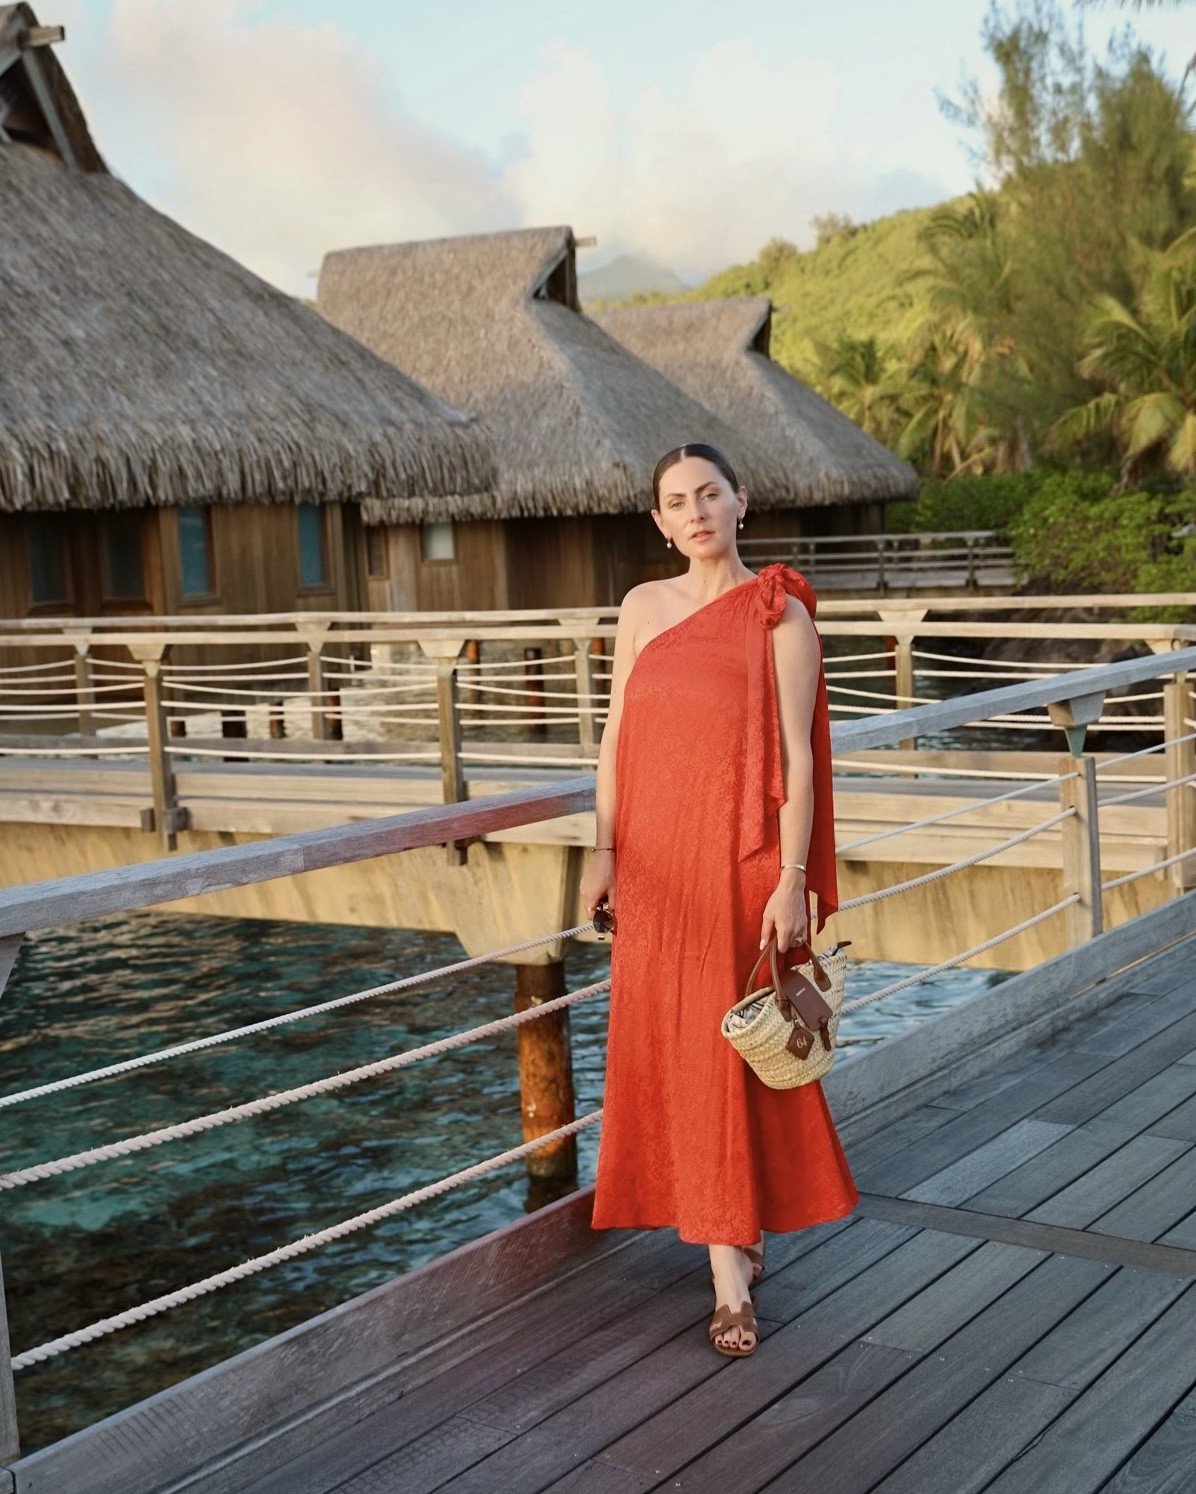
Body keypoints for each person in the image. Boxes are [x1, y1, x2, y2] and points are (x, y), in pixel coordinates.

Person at [580, 442, 857, 1358]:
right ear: (659, 524)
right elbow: (618, 730)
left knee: (722, 1055)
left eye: (708, 494)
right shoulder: (640, 609)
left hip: (739, 866)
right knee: (673, 1051)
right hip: (656, 870)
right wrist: (604, 851)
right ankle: (732, 1231)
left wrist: (790, 878)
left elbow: (799, 756)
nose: (694, 512)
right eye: (675, 501)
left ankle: (728, 1276)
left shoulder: (780, 619)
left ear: (741, 501)